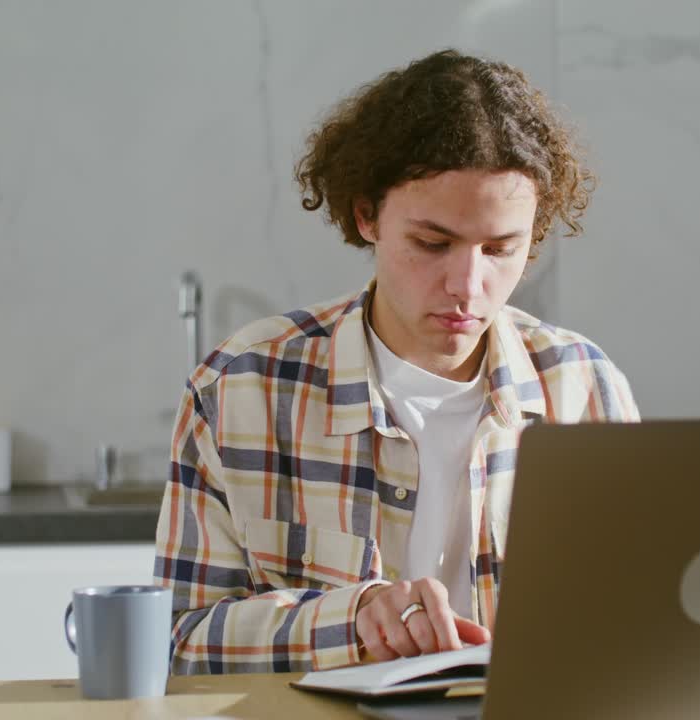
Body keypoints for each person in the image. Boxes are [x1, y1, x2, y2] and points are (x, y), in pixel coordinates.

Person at [153, 48, 639, 675]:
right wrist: (351, 619)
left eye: (500, 249)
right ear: (366, 216)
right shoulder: (241, 387)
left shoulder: (583, 386)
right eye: (432, 243)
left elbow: (638, 622)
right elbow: (180, 641)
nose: (467, 285)